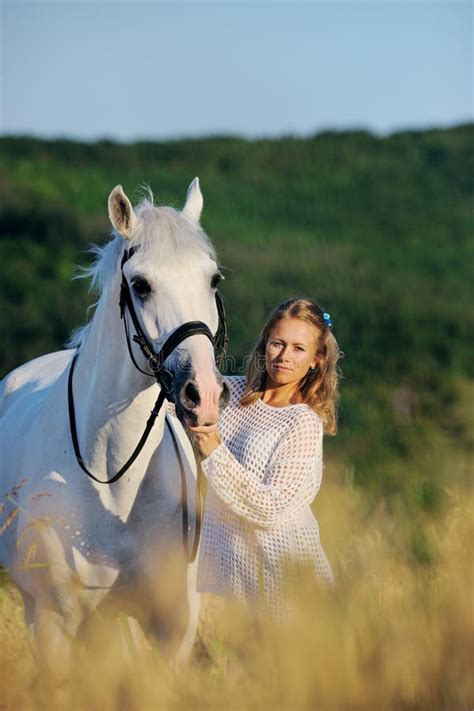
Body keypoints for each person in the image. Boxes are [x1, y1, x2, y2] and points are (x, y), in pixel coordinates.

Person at [188, 297, 342, 619]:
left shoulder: (302, 422)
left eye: (298, 349)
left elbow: (270, 509)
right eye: (277, 344)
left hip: (286, 591)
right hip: (228, 589)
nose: (284, 356)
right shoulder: (229, 392)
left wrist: (214, 451)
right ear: (265, 345)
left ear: (316, 359)